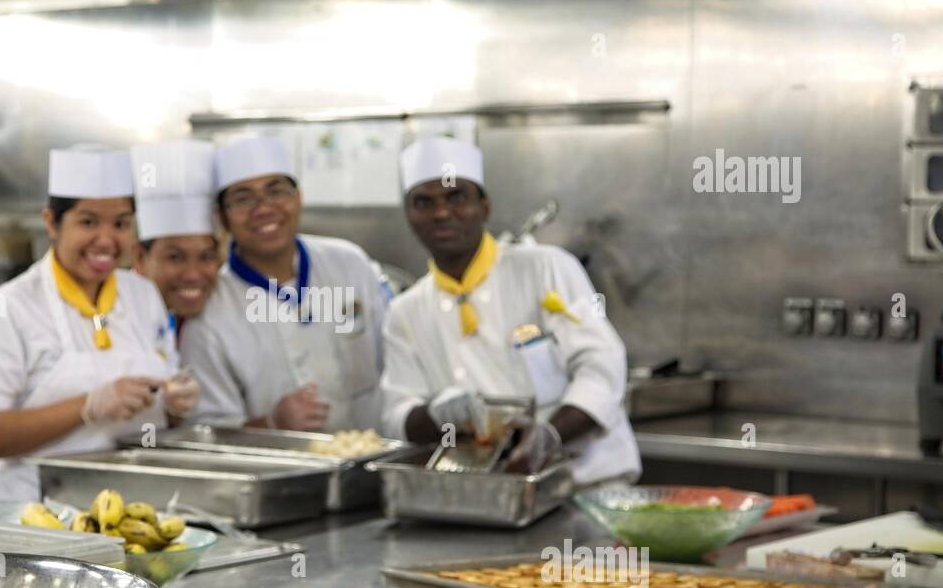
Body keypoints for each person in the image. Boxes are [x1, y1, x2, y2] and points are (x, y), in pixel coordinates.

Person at [380, 136, 640, 485]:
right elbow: (396, 415)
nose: (441, 213)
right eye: (423, 202)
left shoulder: (546, 268)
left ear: (484, 206)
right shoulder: (405, 311)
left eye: (455, 197)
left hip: (586, 485)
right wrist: (436, 415)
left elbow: (602, 369)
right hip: (488, 495)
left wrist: (550, 436)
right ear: (409, 215)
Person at [0, 147, 199, 500]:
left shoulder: (143, 296)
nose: (106, 240)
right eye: (88, 221)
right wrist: (87, 407)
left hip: (135, 506)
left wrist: (174, 405)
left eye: (121, 224)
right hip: (35, 516)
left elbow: (162, 415)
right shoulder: (10, 309)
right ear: (52, 223)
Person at [180, 135, 387, 431]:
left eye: (276, 191)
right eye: (243, 199)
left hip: (374, 462)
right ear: (222, 219)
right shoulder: (210, 315)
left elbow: (393, 365)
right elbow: (205, 434)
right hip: (277, 475)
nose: (263, 209)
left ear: (298, 198)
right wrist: (271, 423)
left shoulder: (349, 264)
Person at [129, 139, 221, 341]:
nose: (193, 274)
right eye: (175, 257)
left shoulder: (229, 309)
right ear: (139, 258)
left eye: (206, 257)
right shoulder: (116, 320)